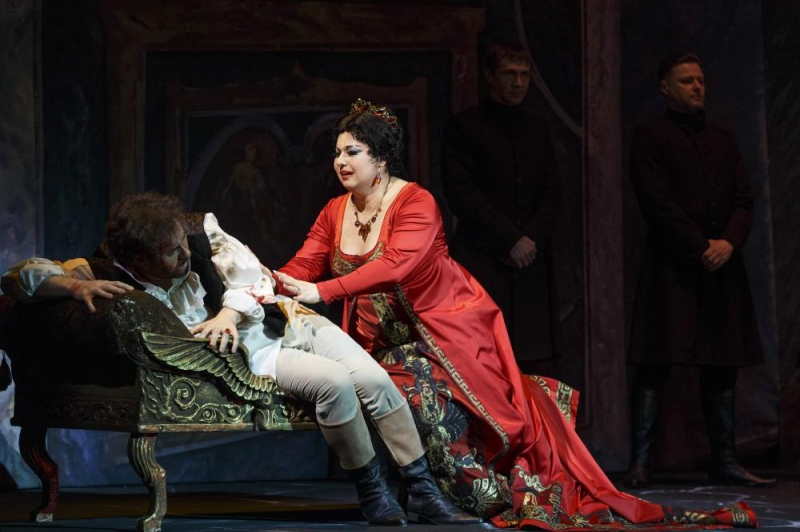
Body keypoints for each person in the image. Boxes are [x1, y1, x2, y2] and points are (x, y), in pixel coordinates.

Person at [275, 98, 757, 529]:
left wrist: (321, 291)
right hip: (378, 343)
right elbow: (304, 264)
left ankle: (434, 490)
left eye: (353, 151)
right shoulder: (335, 211)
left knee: (427, 405)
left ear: (380, 159)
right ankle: (411, 491)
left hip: (442, 334)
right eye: (337, 152)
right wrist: (264, 280)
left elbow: (395, 267)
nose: (341, 161)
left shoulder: (415, 202)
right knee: (382, 381)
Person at [1, 192, 478, 526]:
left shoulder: (201, 236)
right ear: (139, 260)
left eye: (181, 242)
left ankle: (423, 491)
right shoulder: (105, 271)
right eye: (170, 253)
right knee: (334, 383)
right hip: (259, 351)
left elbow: (258, 277)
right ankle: (373, 493)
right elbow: (20, 276)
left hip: (288, 319)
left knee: (374, 381)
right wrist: (75, 286)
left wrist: (228, 313)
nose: (184, 255)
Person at [626, 53, 774, 488]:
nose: (697, 87)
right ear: (665, 88)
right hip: (672, 265)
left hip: (722, 266)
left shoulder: (723, 139)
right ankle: (641, 461)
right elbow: (655, 202)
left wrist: (728, 242)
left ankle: (724, 458)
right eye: (687, 81)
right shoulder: (651, 137)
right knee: (655, 361)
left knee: (722, 363)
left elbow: (744, 200)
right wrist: (699, 245)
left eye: (701, 81)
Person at [441, 42, 562, 371]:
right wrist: (511, 239)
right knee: (480, 356)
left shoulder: (538, 129)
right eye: (510, 74)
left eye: (524, 75)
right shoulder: (465, 127)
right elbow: (462, 193)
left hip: (530, 262)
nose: (518, 83)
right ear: (490, 76)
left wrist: (529, 239)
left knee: (531, 361)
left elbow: (552, 193)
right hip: (482, 256)